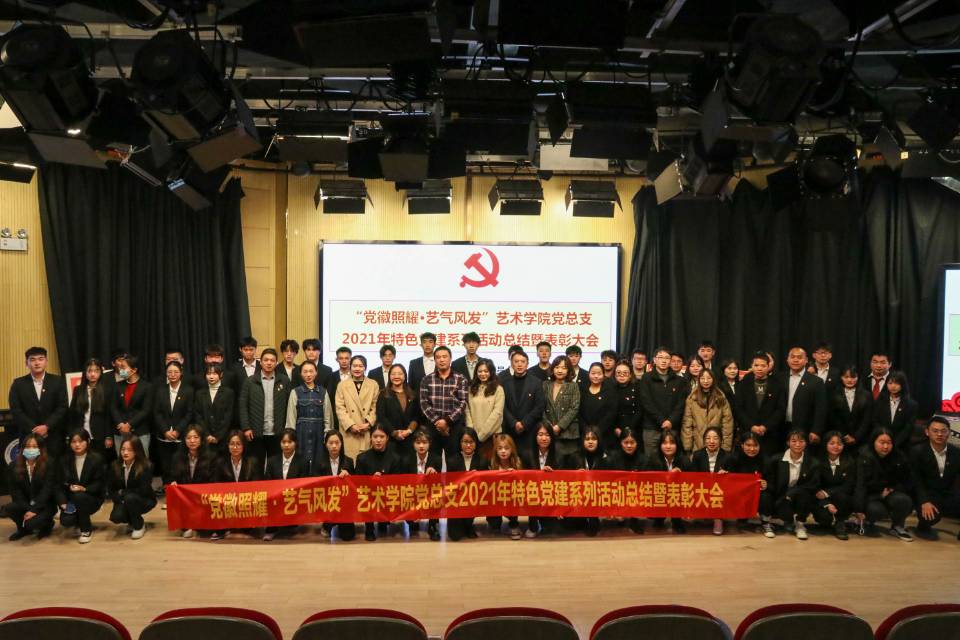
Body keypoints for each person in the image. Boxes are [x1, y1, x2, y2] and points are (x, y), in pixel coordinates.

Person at [854, 428, 914, 541]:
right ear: (873, 442)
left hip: (890, 491)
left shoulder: (899, 456)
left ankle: (897, 526)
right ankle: (864, 522)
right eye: (882, 442)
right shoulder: (864, 456)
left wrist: (893, 489)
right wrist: (859, 509)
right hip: (871, 494)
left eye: (889, 443)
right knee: (876, 510)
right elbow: (861, 485)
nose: (886, 446)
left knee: (903, 500)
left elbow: (907, 479)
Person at [9, 346, 68, 459]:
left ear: (46, 361)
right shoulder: (18, 384)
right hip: (28, 437)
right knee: (31, 467)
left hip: (53, 437)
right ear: (26, 363)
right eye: (32, 359)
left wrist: (47, 426)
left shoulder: (57, 381)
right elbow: (15, 410)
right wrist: (34, 429)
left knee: (54, 467)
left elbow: (62, 407)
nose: (37, 363)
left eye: (41, 359)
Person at [239, 348, 291, 467]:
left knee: (276, 467)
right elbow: (243, 406)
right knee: (256, 466)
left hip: (278, 433)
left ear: (276, 363)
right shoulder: (250, 381)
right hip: (256, 432)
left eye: (272, 360)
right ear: (260, 362)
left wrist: (286, 428)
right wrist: (246, 427)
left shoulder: (284, 380)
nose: (269, 363)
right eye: (266, 360)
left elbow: (290, 405)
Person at [910, 417, 960, 541]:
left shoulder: (956, 452)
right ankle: (923, 527)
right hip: (926, 494)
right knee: (930, 517)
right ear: (927, 432)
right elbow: (916, 481)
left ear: (949, 432)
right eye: (935, 431)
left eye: (943, 431)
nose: (939, 434)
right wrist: (924, 501)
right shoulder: (917, 451)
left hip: (946, 492)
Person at [767, 429, 820, 540]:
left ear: (806, 443)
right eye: (794, 441)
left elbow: (812, 485)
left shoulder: (813, 462)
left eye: (801, 441)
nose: (797, 444)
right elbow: (771, 482)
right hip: (781, 496)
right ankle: (785, 520)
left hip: (800, 496)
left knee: (805, 494)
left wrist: (792, 492)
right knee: (783, 511)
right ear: (788, 442)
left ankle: (800, 525)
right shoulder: (776, 460)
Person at [419, 346, 469, 459]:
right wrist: (438, 422)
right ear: (435, 360)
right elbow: (424, 403)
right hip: (433, 427)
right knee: (433, 461)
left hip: (454, 427)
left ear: (450, 358)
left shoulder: (461, 379)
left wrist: (447, 421)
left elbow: (463, 403)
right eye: (438, 357)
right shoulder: (426, 379)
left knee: (454, 461)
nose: (441, 360)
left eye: (444, 357)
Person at [57, 429, 105, 543]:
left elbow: (100, 482)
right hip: (71, 499)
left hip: (92, 497)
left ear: (88, 441)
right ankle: (78, 521)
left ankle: (86, 530)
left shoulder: (97, 459)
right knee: (66, 521)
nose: (77, 444)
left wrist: (84, 489)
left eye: (81, 441)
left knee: (79, 496)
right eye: (74, 442)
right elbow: (59, 485)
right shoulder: (64, 460)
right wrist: (62, 502)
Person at [285, 360, 333, 474]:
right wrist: (291, 438)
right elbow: (291, 418)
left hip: (319, 433)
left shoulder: (323, 392)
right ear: (301, 374)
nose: (308, 374)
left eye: (311, 371)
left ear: (316, 373)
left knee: (318, 464)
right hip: (301, 433)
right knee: (301, 464)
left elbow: (328, 418)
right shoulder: (295, 392)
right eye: (305, 372)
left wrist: (327, 437)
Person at [722, 432, 774, 536]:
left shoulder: (766, 461)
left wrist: (766, 485)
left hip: (758, 494)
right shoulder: (732, 458)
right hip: (739, 493)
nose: (752, 449)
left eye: (755, 445)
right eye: (748, 445)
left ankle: (765, 522)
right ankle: (740, 517)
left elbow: (773, 483)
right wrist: (723, 474)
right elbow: (726, 480)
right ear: (742, 445)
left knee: (766, 496)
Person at [263, 429, 311, 541]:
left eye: (290, 442)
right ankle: (271, 529)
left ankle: (291, 523)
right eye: (283, 442)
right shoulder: (271, 461)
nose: (286, 445)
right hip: (276, 498)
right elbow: (267, 483)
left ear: (295, 443)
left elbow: (304, 485)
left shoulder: (303, 462)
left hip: (293, 498)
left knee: (290, 527)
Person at [169, 425, 216, 538]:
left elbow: (214, 480)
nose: (192, 441)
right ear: (184, 440)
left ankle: (198, 525)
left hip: (203, 497)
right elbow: (171, 476)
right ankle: (188, 525)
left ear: (201, 439)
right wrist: (173, 482)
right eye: (188, 438)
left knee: (206, 533)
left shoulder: (211, 457)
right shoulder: (177, 457)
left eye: (196, 437)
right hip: (185, 498)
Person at [6, 434, 56, 540]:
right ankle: (22, 530)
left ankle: (47, 525)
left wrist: (35, 509)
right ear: (23, 448)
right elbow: (15, 491)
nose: (31, 449)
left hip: (44, 504)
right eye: (28, 446)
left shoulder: (49, 463)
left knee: (32, 524)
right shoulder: (13, 466)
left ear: (41, 448)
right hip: (26, 503)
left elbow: (47, 490)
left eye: (35, 446)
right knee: (10, 508)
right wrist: (29, 509)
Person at [735, 352, 785, 456]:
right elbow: (738, 409)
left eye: (763, 365)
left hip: (769, 434)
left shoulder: (778, 385)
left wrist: (766, 426)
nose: (759, 368)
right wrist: (751, 426)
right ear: (752, 366)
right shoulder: (743, 384)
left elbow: (780, 409)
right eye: (756, 365)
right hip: (747, 432)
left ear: (768, 366)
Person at [154, 361, 193, 490]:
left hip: (180, 435)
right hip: (163, 435)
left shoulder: (188, 390)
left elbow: (189, 413)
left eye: (176, 372)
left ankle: (181, 489)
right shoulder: (161, 390)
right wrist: (165, 431)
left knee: (180, 463)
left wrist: (177, 430)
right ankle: (167, 489)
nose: (172, 374)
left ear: (181, 373)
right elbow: (157, 413)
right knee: (165, 465)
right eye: (169, 372)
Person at [639, 347, 686, 456]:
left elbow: (681, 404)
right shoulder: (646, 378)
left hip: (672, 427)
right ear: (655, 360)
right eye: (660, 357)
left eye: (667, 358)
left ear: (670, 361)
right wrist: (661, 421)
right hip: (651, 428)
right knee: (651, 461)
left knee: (672, 459)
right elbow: (647, 403)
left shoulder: (679, 381)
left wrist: (670, 421)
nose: (664, 361)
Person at [108, 435, 156, 540]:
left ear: (137, 451)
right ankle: (133, 520)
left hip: (144, 499)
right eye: (123, 449)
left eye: (130, 450)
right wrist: (118, 498)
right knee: (116, 517)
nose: (125, 452)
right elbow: (111, 488)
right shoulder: (115, 465)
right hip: (123, 499)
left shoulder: (146, 466)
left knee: (130, 498)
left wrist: (123, 493)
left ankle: (139, 526)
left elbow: (143, 490)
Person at [355, 424, 399, 541]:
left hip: (387, 494)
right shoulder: (362, 458)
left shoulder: (395, 458)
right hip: (368, 495)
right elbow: (358, 483)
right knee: (366, 495)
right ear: (370, 438)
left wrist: (383, 480)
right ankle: (369, 527)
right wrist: (371, 481)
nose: (378, 440)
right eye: (375, 437)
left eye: (382, 437)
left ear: (387, 438)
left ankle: (383, 520)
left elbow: (397, 483)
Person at [812, 431, 857, 540]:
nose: (836, 446)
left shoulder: (849, 461)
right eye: (832, 443)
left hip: (840, 497)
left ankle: (840, 523)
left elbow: (849, 485)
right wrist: (827, 503)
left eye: (839, 444)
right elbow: (814, 485)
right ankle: (827, 520)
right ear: (825, 444)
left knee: (843, 496)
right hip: (820, 499)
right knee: (824, 519)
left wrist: (827, 493)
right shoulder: (817, 461)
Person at [399, 429, 442, 540]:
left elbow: (440, 484)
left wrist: (434, 474)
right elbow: (403, 484)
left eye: (424, 442)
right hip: (413, 494)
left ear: (429, 444)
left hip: (429, 494)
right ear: (413, 444)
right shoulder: (406, 460)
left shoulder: (437, 459)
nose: (421, 446)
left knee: (437, 496)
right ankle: (412, 520)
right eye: (418, 443)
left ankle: (433, 525)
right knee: (413, 525)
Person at [447, 428, 489, 541]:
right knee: (455, 536)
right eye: (465, 442)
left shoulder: (482, 460)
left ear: (476, 443)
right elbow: (449, 484)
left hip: (475, 498)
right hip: (456, 500)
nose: (468, 445)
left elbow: (487, 483)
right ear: (460, 443)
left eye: (471, 442)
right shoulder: (452, 460)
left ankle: (469, 524)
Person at [562, 426, 606, 536]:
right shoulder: (574, 457)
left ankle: (593, 518)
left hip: (598, 495)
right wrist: (575, 476)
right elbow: (565, 480)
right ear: (582, 441)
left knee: (593, 529)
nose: (590, 442)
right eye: (587, 439)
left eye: (594, 439)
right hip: (579, 496)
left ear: (599, 441)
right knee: (568, 525)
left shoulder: (605, 458)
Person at [313, 430, 356, 541]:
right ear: (326, 444)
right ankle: (327, 524)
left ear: (341, 444)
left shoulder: (349, 461)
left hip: (344, 503)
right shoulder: (318, 462)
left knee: (348, 536)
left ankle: (339, 523)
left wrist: (349, 476)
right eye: (330, 443)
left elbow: (355, 487)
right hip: (326, 501)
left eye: (337, 443)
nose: (334, 446)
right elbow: (314, 484)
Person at [500, 350, 545, 455]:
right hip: (510, 430)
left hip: (530, 430)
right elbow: (502, 406)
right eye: (516, 361)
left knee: (529, 461)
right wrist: (514, 423)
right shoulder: (504, 382)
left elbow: (539, 406)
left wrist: (524, 423)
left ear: (527, 364)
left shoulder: (536, 382)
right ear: (512, 364)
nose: (519, 364)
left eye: (523, 361)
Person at [645, 430, 690, 533]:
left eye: (672, 443)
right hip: (659, 492)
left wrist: (680, 475)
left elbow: (693, 482)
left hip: (677, 494)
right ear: (660, 445)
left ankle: (677, 520)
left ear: (677, 445)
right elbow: (648, 480)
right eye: (664, 443)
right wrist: (667, 476)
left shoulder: (684, 460)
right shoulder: (653, 458)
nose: (668, 446)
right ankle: (659, 517)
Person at [604, 427, 647, 534]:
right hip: (618, 492)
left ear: (637, 443)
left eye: (632, 442)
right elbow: (607, 481)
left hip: (635, 492)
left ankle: (634, 520)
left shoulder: (643, 459)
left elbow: (645, 482)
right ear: (621, 443)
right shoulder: (613, 458)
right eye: (626, 442)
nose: (629, 446)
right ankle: (620, 515)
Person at [681, 368, 734, 454]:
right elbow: (687, 423)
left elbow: (727, 423)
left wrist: (726, 447)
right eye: (702, 378)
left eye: (709, 378)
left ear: (713, 380)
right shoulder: (692, 399)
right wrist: (687, 445)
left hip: (717, 444)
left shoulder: (721, 398)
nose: (706, 381)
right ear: (699, 380)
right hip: (697, 444)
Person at [110, 355, 154, 456]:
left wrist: (129, 425)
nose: (120, 370)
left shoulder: (147, 387)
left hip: (140, 432)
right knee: (122, 460)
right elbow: (113, 407)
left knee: (141, 461)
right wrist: (121, 424)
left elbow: (146, 410)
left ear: (134, 370)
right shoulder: (117, 386)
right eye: (120, 367)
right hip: (120, 432)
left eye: (123, 367)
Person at [69, 358, 113, 460]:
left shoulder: (106, 390)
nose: (93, 374)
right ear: (85, 372)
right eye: (89, 371)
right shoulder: (78, 390)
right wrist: (71, 433)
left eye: (96, 371)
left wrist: (108, 436)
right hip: (81, 435)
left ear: (101, 372)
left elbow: (108, 415)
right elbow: (72, 413)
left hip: (100, 435)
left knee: (100, 462)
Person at [782, 347, 827, 446]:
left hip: (805, 429)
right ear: (787, 360)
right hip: (781, 428)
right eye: (792, 357)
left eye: (799, 357)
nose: (795, 360)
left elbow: (821, 408)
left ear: (806, 360)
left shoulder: (816, 382)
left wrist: (816, 430)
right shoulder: (780, 378)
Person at [376, 363, 420, 462]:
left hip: (409, 440)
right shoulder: (383, 394)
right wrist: (394, 433)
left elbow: (416, 416)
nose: (396, 376)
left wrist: (409, 431)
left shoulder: (413, 394)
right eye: (393, 374)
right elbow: (381, 417)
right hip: (390, 440)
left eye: (400, 374)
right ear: (389, 376)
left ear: (405, 376)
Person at [691, 427, 730, 535]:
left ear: (721, 440)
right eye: (708, 438)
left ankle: (718, 519)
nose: (711, 441)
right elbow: (693, 475)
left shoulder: (727, 456)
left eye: (715, 438)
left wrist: (726, 474)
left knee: (719, 492)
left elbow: (733, 478)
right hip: (702, 487)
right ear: (704, 440)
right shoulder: (697, 455)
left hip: (719, 489)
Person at [523, 423, 559, 538]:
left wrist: (551, 475)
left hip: (551, 492)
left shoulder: (559, 454)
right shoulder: (527, 454)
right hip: (533, 492)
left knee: (552, 529)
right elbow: (523, 477)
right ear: (535, 437)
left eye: (547, 435)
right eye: (540, 434)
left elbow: (563, 478)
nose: (544, 438)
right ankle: (533, 525)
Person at [542, 355, 581, 459]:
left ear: (569, 370)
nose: (560, 370)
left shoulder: (573, 386)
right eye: (557, 367)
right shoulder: (545, 385)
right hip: (548, 432)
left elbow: (574, 408)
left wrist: (559, 426)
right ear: (552, 369)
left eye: (564, 368)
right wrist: (548, 425)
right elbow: (540, 407)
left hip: (568, 434)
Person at [827, 365, 873, 449]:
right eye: (846, 377)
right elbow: (833, 417)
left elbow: (867, 419)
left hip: (861, 440)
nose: (849, 380)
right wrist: (844, 435)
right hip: (839, 439)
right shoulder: (834, 394)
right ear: (841, 377)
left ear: (858, 377)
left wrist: (856, 437)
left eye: (853, 377)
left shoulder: (867, 395)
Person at [871, 371, 919, 450]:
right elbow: (875, 421)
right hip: (881, 441)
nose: (893, 386)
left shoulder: (911, 405)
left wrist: (894, 443)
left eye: (897, 383)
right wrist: (884, 439)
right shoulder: (880, 401)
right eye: (890, 383)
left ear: (902, 385)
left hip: (901, 445)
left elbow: (908, 427)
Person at [487, 433, 523, 539]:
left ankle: (513, 523)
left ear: (512, 449)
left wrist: (515, 474)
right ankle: (494, 520)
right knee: (494, 526)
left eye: (506, 448)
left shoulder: (517, 462)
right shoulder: (491, 463)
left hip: (511, 497)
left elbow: (523, 483)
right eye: (500, 448)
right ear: (496, 450)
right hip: (496, 497)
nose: (503, 451)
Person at [466, 361, 504, 460]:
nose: (483, 374)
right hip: (473, 436)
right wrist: (471, 432)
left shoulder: (498, 389)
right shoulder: (471, 388)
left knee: (492, 466)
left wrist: (481, 435)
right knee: (475, 466)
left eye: (486, 371)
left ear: (491, 372)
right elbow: (467, 410)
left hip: (492, 436)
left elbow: (497, 413)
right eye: (480, 371)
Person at [194, 363, 234, 453]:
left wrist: (218, 436)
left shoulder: (228, 393)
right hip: (205, 438)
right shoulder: (199, 393)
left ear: (221, 375)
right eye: (208, 374)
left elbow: (228, 416)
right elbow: (198, 416)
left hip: (222, 438)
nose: (211, 377)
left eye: (214, 373)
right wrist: (207, 434)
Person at [579, 363, 616, 451]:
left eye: (599, 373)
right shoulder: (581, 389)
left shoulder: (610, 391)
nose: (596, 376)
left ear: (603, 375)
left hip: (605, 433)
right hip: (585, 433)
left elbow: (611, 413)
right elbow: (578, 411)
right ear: (589, 374)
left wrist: (597, 431)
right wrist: (586, 430)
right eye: (593, 373)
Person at [612, 360, 643, 451]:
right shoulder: (609, 388)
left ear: (630, 375)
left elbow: (639, 410)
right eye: (618, 373)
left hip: (634, 427)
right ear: (615, 375)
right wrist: (615, 428)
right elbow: (608, 411)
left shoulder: (637, 388)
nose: (622, 375)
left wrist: (629, 429)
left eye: (625, 373)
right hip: (615, 429)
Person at [326, 346, 354, 421]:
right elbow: (329, 397)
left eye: (346, 358)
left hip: (354, 415)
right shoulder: (331, 376)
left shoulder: (357, 376)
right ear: (337, 359)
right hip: (336, 415)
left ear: (351, 359)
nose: (344, 361)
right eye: (341, 358)